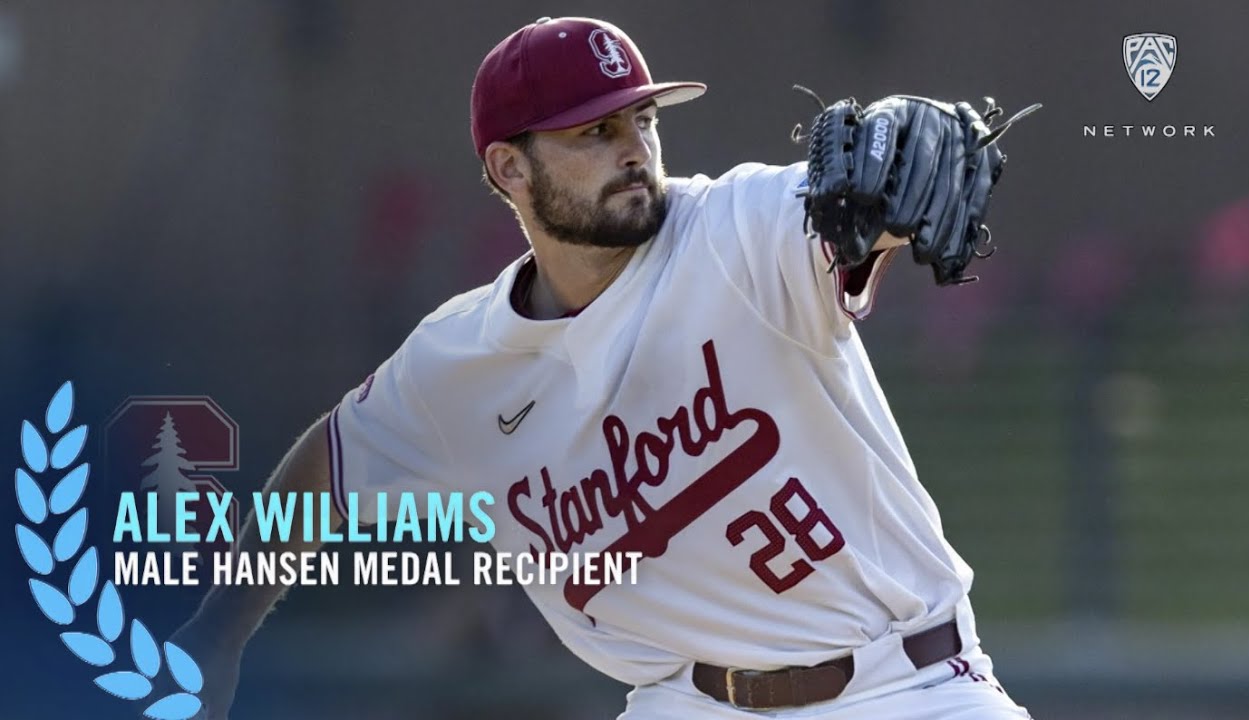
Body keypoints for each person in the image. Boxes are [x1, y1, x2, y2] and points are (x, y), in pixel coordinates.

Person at [174, 16, 1032, 720]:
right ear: (509, 168)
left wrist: (901, 171)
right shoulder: (454, 365)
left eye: (642, 120)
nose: (634, 148)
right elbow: (329, 466)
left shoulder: (736, 228)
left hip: (906, 687)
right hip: (689, 704)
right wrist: (218, 633)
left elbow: (838, 213)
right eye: (595, 130)